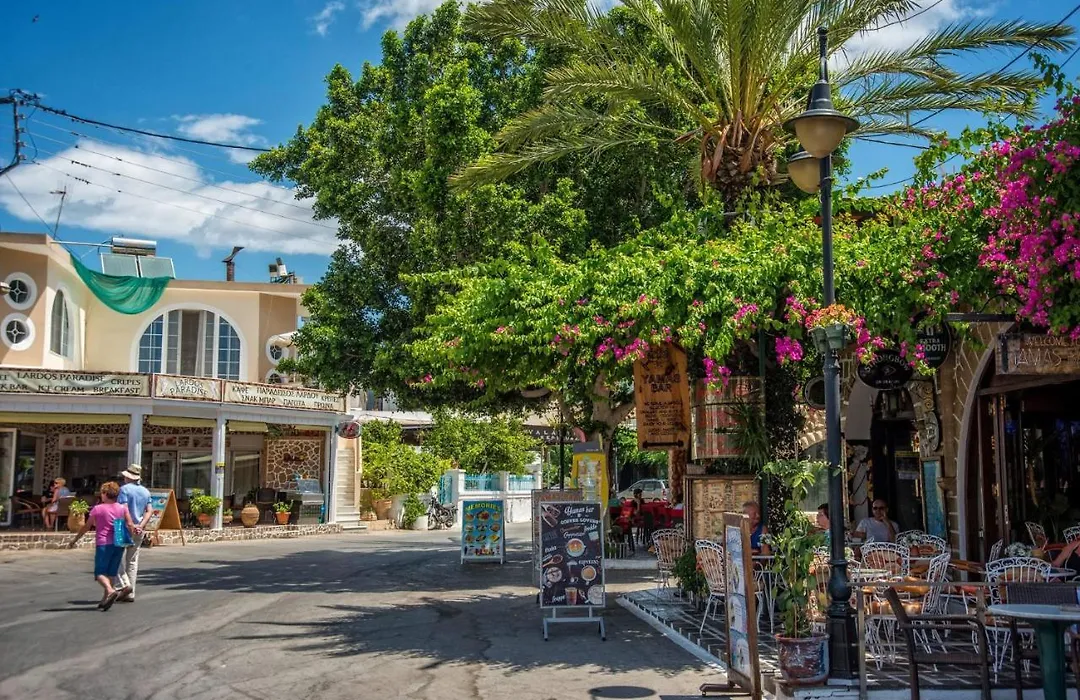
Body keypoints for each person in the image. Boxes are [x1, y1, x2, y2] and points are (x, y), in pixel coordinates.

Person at [69, 481, 135, 611]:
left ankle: (110, 591)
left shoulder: (98, 509)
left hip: (104, 543)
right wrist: (131, 538)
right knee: (111, 572)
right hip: (119, 542)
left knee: (99, 573)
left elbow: (86, 527)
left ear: (105, 494)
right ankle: (105, 599)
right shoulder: (122, 508)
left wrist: (75, 540)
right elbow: (130, 525)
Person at [116, 464, 153, 603]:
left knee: (115, 558)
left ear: (127, 477)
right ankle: (131, 592)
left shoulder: (124, 490)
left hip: (123, 527)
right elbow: (149, 511)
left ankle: (125, 585)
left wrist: (131, 524)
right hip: (139, 528)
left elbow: (123, 509)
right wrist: (140, 525)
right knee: (132, 561)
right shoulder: (145, 491)